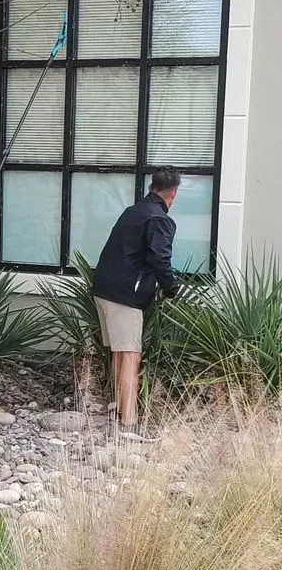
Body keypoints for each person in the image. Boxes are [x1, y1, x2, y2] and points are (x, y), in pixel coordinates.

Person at [92, 167, 181, 441]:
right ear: (173, 194)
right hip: (125, 298)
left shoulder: (133, 211)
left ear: (152, 187)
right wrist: (171, 288)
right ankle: (129, 425)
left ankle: (119, 408)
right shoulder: (160, 219)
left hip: (104, 290)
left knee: (120, 352)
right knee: (131, 354)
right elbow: (159, 258)